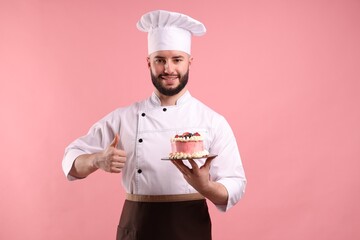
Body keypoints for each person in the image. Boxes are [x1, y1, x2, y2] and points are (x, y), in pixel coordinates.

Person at [62, 9, 246, 240]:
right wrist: (97, 160)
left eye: (177, 60)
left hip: (189, 228)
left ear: (190, 62)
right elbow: (70, 158)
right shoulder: (125, 117)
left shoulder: (212, 121)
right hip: (137, 225)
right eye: (160, 60)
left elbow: (235, 184)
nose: (169, 69)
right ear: (149, 63)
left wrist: (205, 186)